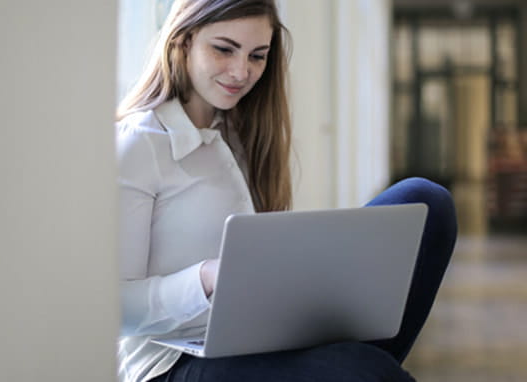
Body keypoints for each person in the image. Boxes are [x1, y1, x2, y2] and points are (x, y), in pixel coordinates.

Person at [115, 1, 457, 381]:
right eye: (224, 49)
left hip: (255, 330)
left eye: (257, 56)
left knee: (428, 201)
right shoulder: (139, 144)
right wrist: (207, 278)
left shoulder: (238, 135)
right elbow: (115, 308)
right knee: (360, 368)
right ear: (183, 42)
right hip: (171, 363)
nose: (241, 71)